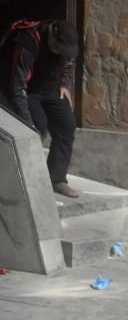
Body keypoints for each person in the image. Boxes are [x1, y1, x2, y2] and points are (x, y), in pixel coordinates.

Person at [0, 19, 80, 198]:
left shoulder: (67, 43)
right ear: (52, 35)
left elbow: (69, 62)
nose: (61, 52)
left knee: (67, 124)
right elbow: (16, 85)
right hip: (28, 91)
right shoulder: (27, 41)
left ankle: (57, 179)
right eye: (58, 48)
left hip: (51, 90)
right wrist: (27, 122)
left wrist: (65, 84)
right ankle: (26, 181)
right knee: (37, 128)